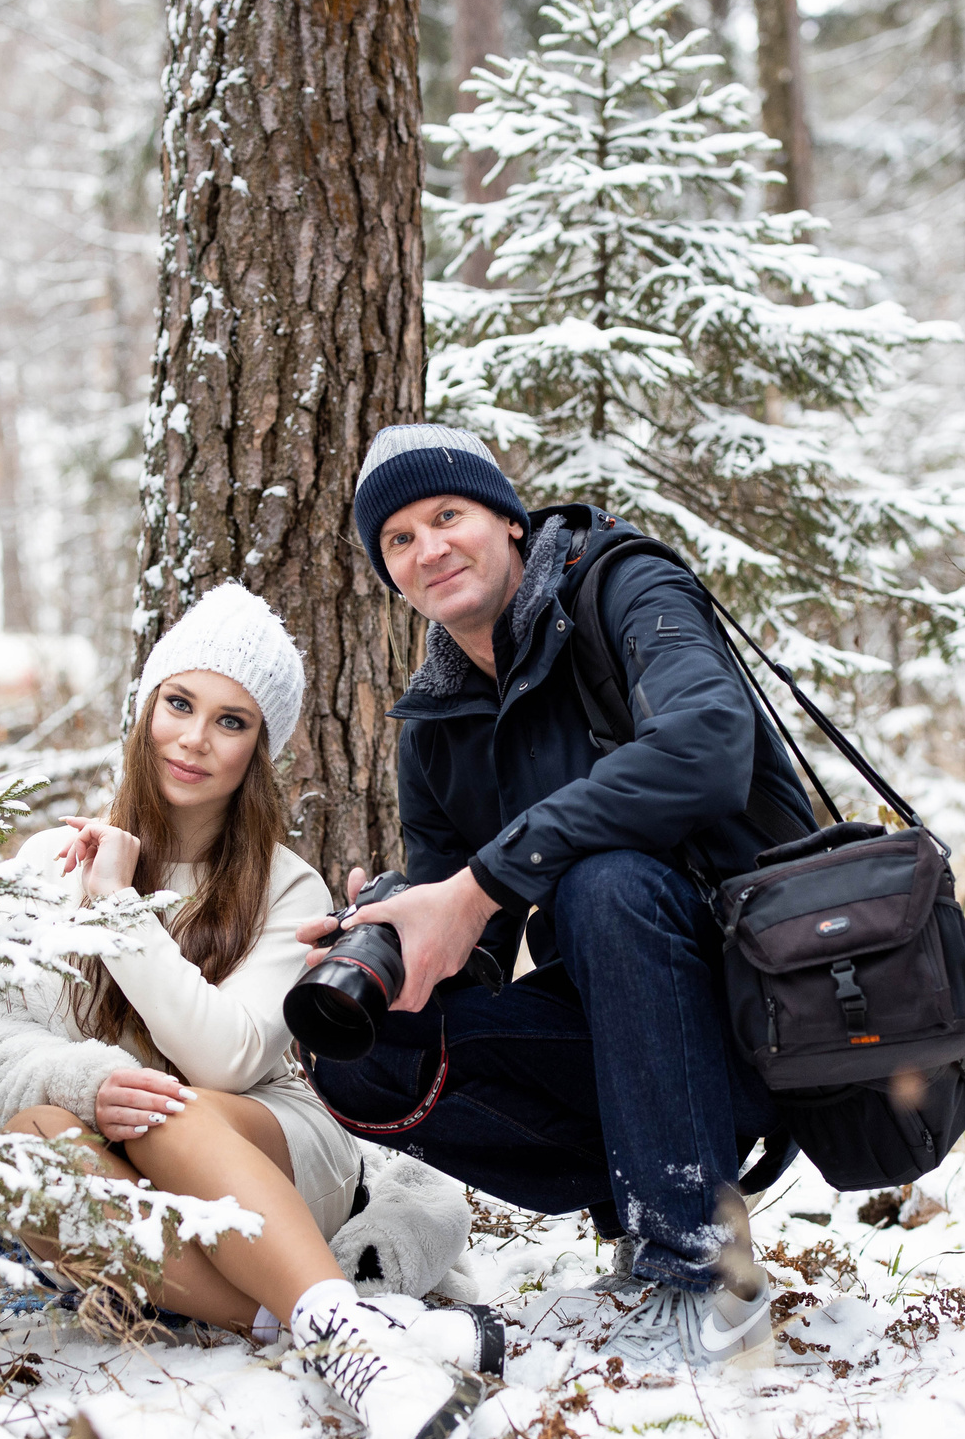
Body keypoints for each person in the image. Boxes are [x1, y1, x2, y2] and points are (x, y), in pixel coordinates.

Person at [298, 425, 818, 1372]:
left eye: (447, 515)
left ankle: (704, 1267)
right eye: (400, 540)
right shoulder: (436, 725)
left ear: (505, 516)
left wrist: (486, 878)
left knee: (605, 881)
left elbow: (705, 745)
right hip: (631, 1039)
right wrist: (399, 933)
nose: (430, 549)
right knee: (368, 1055)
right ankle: (643, 1219)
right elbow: (479, 941)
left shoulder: (623, 584)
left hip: (776, 1004)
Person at [0, 583, 489, 1439]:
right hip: (114, 1150)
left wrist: (120, 912)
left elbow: (226, 1058)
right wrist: (88, 1082)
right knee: (31, 1151)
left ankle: (346, 1343)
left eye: (230, 721)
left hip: (265, 1142)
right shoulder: (52, 858)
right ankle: (335, 1329)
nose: (194, 738)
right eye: (180, 703)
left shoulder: (286, 883)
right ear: (146, 707)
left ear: (257, 749)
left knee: (174, 1108)